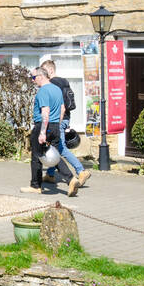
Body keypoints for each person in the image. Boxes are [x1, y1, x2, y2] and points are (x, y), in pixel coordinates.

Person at [22, 67, 77, 196]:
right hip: (55, 126)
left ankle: (35, 186)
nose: (33, 80)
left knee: (37, 156)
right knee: (55, 156)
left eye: (34, 78)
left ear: (41, 76)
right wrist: (56, 125)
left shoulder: (43, 91)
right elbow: (62, 109)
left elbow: (45, 112)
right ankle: (71, 179)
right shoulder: (57, 89)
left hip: (43, 126)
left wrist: (42, 132)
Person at [41, 58, 92, 195]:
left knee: (61, 148)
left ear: (50, 70)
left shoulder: (52, 83)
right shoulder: (64, 81)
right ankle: (51, 175)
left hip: (57, 119)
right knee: (53, 146)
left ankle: (81, 171)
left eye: (44, 71)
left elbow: (58, 106)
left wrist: (56, 123)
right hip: (66, 118)